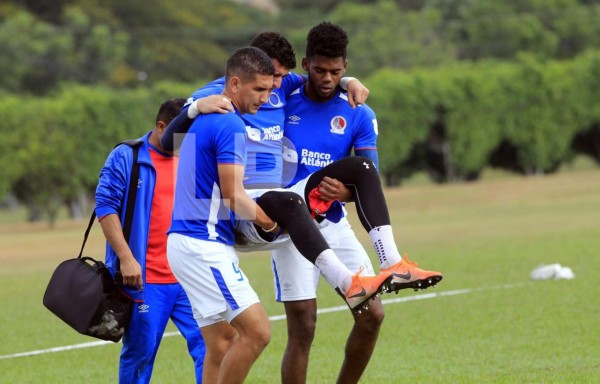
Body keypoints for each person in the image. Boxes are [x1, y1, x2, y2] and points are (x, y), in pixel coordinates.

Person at [162, 28, 442, 384]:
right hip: (260, 209)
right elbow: (172, 142)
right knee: (292, 327)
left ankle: (393, 262)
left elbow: (323, 76)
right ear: (245, 76)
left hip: (304, 205)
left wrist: (349, 81)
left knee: (363, 170)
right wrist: (195, 107)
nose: (275, 89)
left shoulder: (287, 87)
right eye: (268, 81)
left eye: (277, 80)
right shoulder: (223, 101)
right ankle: (347, 280)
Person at [95, 98, 216, 383]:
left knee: (212, 346)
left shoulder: (193, 157)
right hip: (146, 281)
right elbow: (105, 207)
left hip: (190, 276)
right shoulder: (128, 156)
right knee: (141, 353)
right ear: (162, 126)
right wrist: (125, 258)